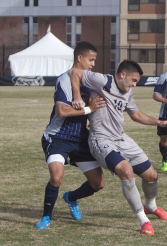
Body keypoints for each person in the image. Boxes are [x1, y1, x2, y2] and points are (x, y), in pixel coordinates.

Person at [69, 60, 167, 236]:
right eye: (133, 80)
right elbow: (74, 72)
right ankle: (143, 220)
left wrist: (159, 122)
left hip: (122, 138)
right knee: (126, 172)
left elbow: (135, 114)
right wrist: (77, 96)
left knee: (152, 176)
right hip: (101, 139)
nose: (134, 84)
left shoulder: (128, 92)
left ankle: (151, 206)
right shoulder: (103, 81)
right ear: (123, 74)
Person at [36, 41, 107, 230]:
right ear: (80, 58)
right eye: (91, 60)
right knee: (57, 177)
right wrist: (88, 108)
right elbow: (61, 111)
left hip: (80, 139)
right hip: (58, 137)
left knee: (98, 183)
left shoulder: (89, 82)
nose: (93, 64)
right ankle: (46, 217)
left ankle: (71, 198)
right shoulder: (64, 80)